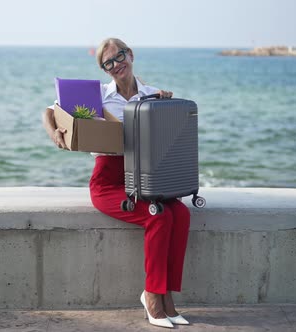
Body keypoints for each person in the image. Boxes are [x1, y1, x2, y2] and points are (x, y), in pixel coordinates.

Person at [42, 37, 191, 328]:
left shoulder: (153, 94)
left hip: (147, 177)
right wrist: (55, 133)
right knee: (157, 216)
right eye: (107, 62)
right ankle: (152, 295)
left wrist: (170, 106)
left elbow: (171, 133)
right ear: (104, 69)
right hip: (108, 181)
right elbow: (49, 110)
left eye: (118, 56)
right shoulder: (97, 95)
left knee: (181, 214)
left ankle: (168, 296)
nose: (115, 65)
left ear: (130, 54)